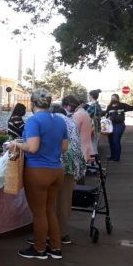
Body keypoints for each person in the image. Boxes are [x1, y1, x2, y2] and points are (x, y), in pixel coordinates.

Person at [10, 89, 68, 260]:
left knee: (39, 213)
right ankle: (55, 247)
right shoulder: (59, 120)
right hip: (57, 170)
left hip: (37, 171)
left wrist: (16, 144)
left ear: (32, 103)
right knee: (50, 210)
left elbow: (33, 148)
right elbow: (64, 147)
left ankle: (39, 249)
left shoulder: (33, 120)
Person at [49, 104, 86, 245]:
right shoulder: (71, 121)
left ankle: (50, 235)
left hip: (57, 163)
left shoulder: (54, 121)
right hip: (73, 164)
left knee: (51, 201)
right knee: (65, 200)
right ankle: (63, 234)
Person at [62, 95, 93, 163]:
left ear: (69, 106)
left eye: (65, 107)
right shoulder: (83, 112)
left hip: (80, 148)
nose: (65, 110)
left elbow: (72, 132)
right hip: (86, 145)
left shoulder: (78, 115)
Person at [105, 93, 133, 161]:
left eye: (114, 98)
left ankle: (117, 157)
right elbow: (105, 114)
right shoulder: (109, 106)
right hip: (110, 125)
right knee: (111, 141)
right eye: (112, 98)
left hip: (119, 125)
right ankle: (112, 156)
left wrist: (122, 110)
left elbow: (132, 108)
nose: (113, 99)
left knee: (116, 141)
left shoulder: (122, 105)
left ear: (117, 99)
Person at [86, 89, 103, 156]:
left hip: (93, 129)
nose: (88, 97)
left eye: (89, 95)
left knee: (93, 147)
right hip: (97, 127)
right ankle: (96, 163)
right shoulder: (98, 105)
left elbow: (85, 115)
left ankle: (94, 163)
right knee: (94, 146)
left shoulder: (93, 106)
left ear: (91, 96)